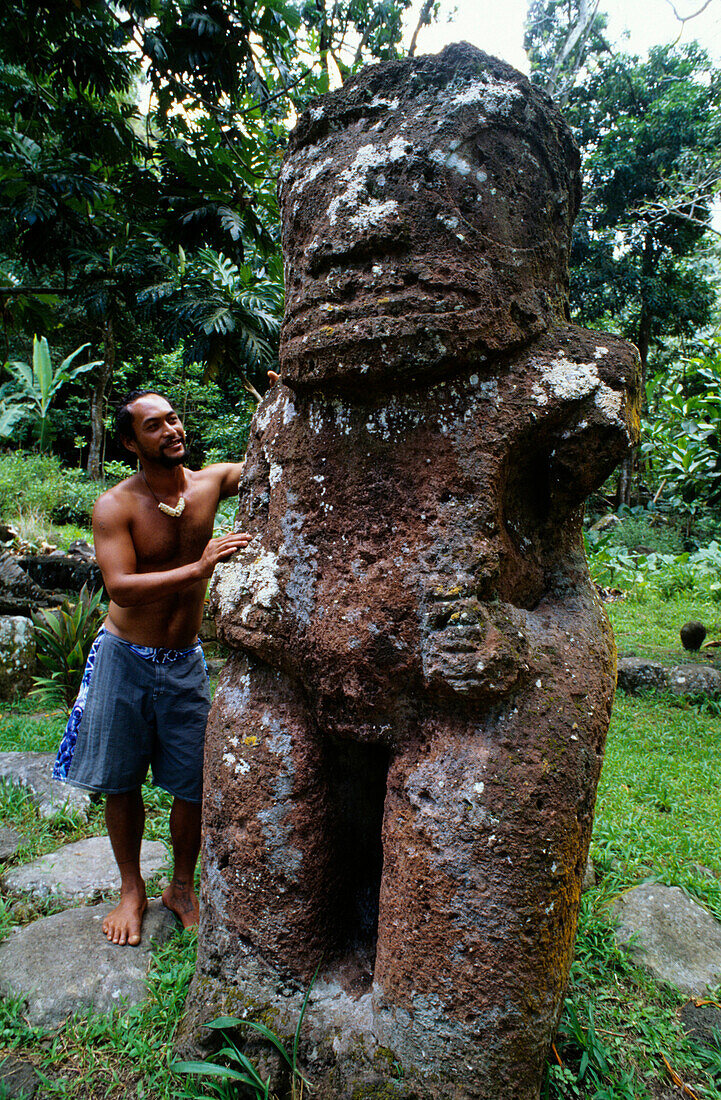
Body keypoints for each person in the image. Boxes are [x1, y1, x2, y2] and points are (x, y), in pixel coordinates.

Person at [53, 389, 251, 946]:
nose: (171, 430)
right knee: (122, 781)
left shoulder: (211, 483)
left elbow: (268, 462)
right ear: (129, 442)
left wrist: (295, 397)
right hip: (125, 657)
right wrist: (201, 565)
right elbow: (120, 587)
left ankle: (181, 887)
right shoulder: (116, 505)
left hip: (185, 661)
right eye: (154, 425)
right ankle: (131, 889)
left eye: (174, 419)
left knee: (193, 782)